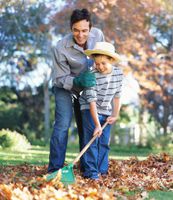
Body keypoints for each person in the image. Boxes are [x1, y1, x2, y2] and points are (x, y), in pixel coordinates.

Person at [48, 8, 104, 173]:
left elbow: (103, 59)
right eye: (76, 30)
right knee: (62, 125)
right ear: (71, 28)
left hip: (88, 88)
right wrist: (77, 80)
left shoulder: (99, 36)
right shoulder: (61, 47)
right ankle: (55, 169)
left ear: (90, 28)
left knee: (86, 126)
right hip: (65, 88)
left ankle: (87, 168)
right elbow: (59, 78)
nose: (80, 35)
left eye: (85, 30)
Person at [79, 41, 123, 180]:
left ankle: (102, 171)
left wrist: (115, 115)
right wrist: (97, 124)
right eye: (97, 63)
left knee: (104, 141)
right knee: (92, 141)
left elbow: (117, 97)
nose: (100, 67)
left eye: (103, 63)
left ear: (111, 60)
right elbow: (91, 102)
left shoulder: (118, 74)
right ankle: (91, 173)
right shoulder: (91, 75)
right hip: (89, 109)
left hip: (106, 110)